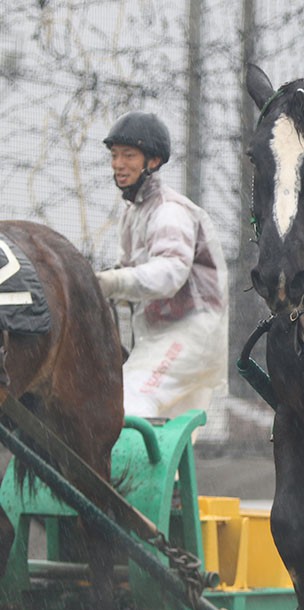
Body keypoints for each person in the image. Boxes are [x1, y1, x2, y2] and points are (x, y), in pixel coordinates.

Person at [97, 111, 229, 420]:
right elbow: (129, 290)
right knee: (167, 444)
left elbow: (169, 273)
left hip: (187, 335)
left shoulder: (169, 211)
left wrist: (111, 282)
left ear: (153, 161)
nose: (118, 164)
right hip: (156, 340)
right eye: (114, 156)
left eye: (128, 155)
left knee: (127, 404)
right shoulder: (133, 213)